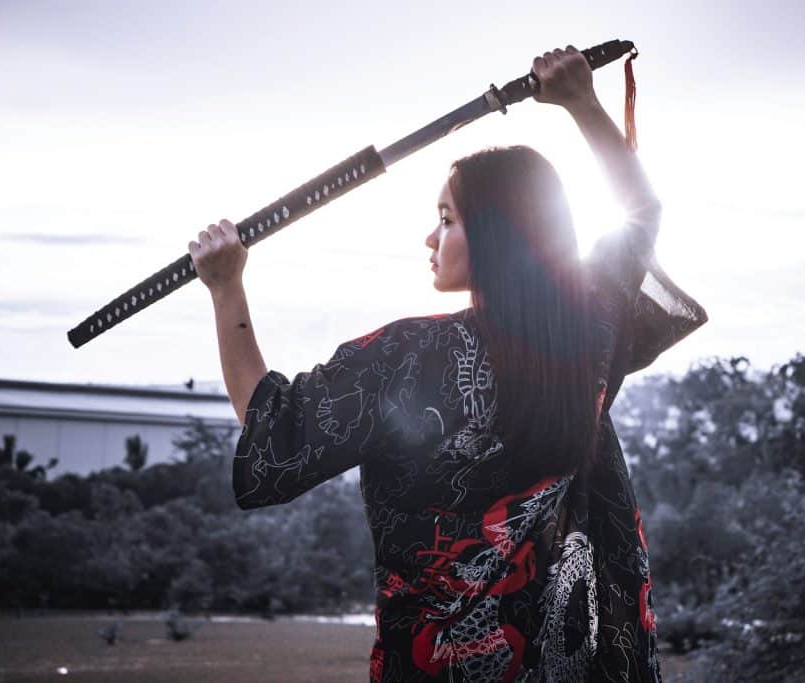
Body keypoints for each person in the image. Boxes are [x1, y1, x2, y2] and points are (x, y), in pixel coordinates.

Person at [189, 45, 708, 682]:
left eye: (447, 219)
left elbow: (273, 424)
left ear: (495, 235)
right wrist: (582, 102)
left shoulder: (404, 357)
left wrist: (225, 289)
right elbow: (640, 213)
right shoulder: (585, 333)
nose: (430, 238)